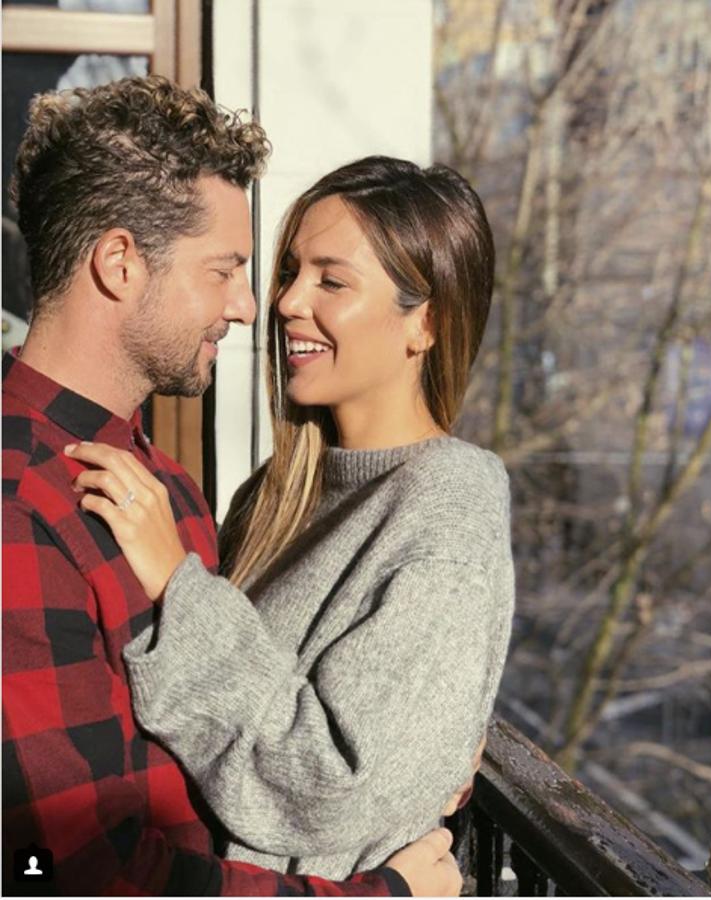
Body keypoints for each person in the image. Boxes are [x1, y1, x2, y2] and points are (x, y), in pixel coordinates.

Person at [2, 75, 462, 897]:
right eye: (226, 270)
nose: (252, 307)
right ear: (119, 263)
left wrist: (407, 756)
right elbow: (79, 876)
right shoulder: (14, 505)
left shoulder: (168, 490)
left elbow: (224, 747)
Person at [67, 156, 515, 879]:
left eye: (331, 281)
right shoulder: (278, 492)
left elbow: (327, 791)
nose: (285, 303)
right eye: (290, 272)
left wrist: (181, 591)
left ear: (425, 322)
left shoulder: (446, 505)